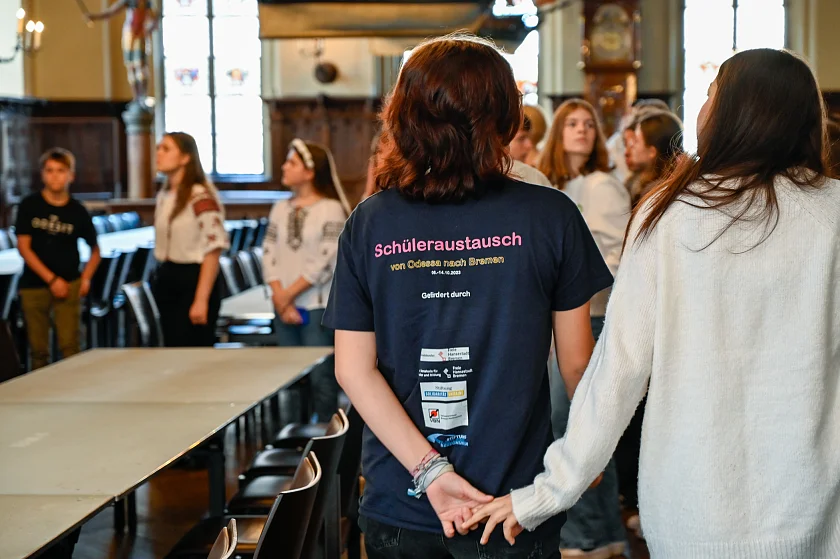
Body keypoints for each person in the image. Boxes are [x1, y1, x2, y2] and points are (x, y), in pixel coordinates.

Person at [465, 48, 840, 559]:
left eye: (710, 95)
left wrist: (549, 492)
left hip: (693, 510)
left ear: (734, 113)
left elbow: (618, 370)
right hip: (814, 504)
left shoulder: (671, 215)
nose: (701, 110)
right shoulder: (832, 214)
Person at [323, 34, 613, 559]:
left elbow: (353, 369)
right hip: (514, 501)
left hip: (403, 494)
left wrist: (431, 471)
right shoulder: (551, 215)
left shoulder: (368, 223)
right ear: (507, 116)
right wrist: (587, 457)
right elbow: (577, 365)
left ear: (404, 115)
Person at [537, 99, 628, 558]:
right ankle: (590, 533)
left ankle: (592, 538)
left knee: (581, 425)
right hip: (552, 318)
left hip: (586, 314)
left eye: (588, 124)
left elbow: (609, 260)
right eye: (571, 123)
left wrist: (567, 310)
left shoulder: (602, 185)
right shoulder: (548, 183)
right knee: (562, 425)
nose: (581, 130)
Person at [262, 139, 349, 421]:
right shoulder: (280, 208)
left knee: (322, 378)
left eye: (292, 162)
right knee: (288, 378)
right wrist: (279, 296)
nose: (284, 167)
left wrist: (288, 295)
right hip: (283, 305)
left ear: (310, 172)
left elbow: (326, 259)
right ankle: (293, 435)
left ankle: (325, 440)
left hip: (316, 305)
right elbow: (268, 252)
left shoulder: (331, 208)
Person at [16, 148, 101, 371]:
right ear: (42, 174)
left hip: (70, 282)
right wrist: (52, 280)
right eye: (50, 171)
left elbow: (95, 250)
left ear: (71, 175)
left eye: (61, 171)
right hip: (35, 284)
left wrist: (86, 278)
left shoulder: (77, 210)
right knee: (38, 350)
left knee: (70, 345)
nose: (55, 176)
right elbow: (24, 248)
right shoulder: (29, 205)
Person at [152, 132, 228, 347]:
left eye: (166, 149)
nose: (158, 153)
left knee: (192, 349)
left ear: (185, 158)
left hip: (193, 279)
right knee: (172, 348)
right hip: (168, 276)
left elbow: (213, 248)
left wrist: (201, 299)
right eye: (158, 148)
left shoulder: (200, 196)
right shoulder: (165, 195)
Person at [84, 0, 157, 103]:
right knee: (131, 67)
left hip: (140, 35)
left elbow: (154, 19)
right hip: (129, 35)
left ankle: (142, 97)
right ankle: (136, 98)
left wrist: (150, 28)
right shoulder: (128, 1)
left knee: (141, 67)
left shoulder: (147, 2)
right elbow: (110, 12)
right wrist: (94, 16)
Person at [624, 110, 684, 206]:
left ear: (652, 152)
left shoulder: (659, 194)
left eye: (636, 141)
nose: (630, 146)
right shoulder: (636, 184)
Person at [606, 99, 671, 183]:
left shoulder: (665, 181)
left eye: (636, 140)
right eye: (626, 144)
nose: (627, 152)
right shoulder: (616, 142)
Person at [509, 115, 553, 187]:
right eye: (521, 139)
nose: (529, 145)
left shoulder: (534, 176)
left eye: (529, 137)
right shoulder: (534, 178)